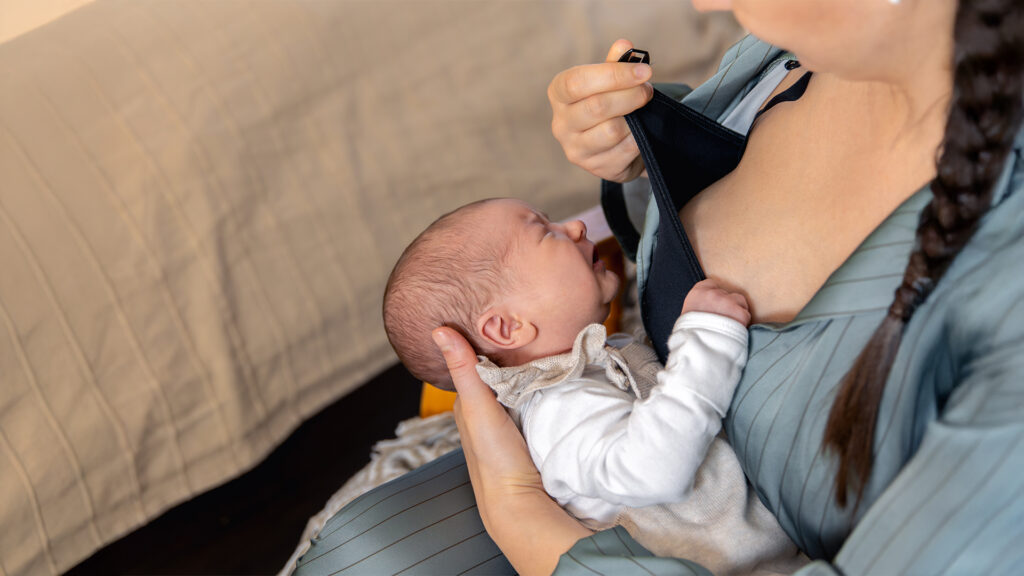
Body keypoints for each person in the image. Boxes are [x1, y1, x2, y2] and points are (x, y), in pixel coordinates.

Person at [292, 0, 1024, 574]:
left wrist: (520, 514)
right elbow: (719, 190)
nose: (705, 5)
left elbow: (647, 460)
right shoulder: (795, 57)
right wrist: (642, 145)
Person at [382, 197, 805, 575]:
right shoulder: (557, 408)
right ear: (508, 327)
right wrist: (707, 340)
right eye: (545, 232)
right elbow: (652, 469)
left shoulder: (594, 363)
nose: (576, 228)